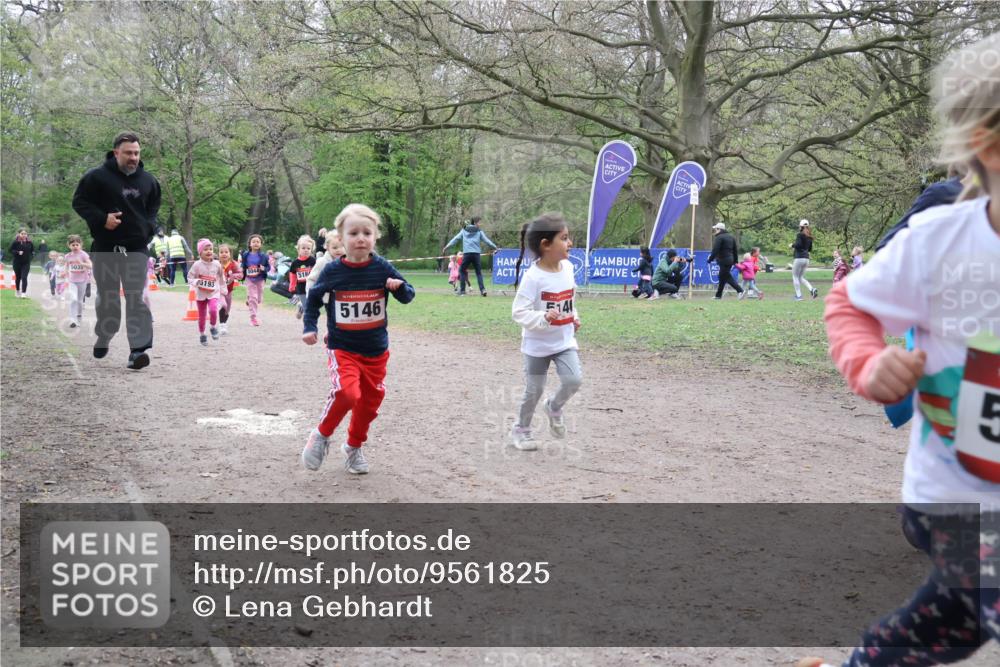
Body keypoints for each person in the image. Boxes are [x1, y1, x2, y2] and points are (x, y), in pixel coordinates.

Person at [801, 32, 1000, 667]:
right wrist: (869, 362)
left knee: (953, 620)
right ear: (988, 146)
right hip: (962, 497)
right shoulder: (939, 240)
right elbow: (850, 304)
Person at [300, 203, 415, 475]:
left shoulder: (382, 267)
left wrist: (398, 288)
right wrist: (309, 326)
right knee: (347, 393)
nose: (361, 238)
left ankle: (353, 447)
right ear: (341, 238)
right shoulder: (332, 271)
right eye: (353, 233)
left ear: (375, 237)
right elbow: (314, 297)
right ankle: (321, 434)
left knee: (369, 404)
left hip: (375, 351)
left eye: (367, 232)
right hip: (343, 348)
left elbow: (408, 295)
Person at [71, 131, 160, 370]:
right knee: (108, 299)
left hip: (136, 249)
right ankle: (106, 333)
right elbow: (79, 202)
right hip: (106, 248)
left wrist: (148, 228)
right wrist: (102, 219)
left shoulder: (149, 181)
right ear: (116, 153)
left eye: (137, 153)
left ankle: (138, 351)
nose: (133, 157)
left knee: (136, 299)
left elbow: (153, 211)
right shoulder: (96, 177)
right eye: (128, 153)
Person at [509, 213, 583, 451]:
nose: (570, 243)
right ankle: (521, 430)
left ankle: (554, 406)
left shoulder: (569, 268)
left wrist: (575, 317)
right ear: (546, 245)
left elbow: (569, 299)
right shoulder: (533, 277)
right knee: (534, 390)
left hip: (564, 342)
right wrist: (542, 317)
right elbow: (518, 312)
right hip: (536, 346)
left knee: (573, 380)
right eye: (564, 238)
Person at [442, 216, 498, 296]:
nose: (480, 224)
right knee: (478, 273)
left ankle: (462, 291)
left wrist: (447, 246)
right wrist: (495, 247)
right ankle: (483, 290)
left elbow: (455, 239)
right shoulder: (479, 231)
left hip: (467, 254)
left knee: (461, 270)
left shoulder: (464, 230)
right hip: (476, 254)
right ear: (475, 223)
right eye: (479, 222)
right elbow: (486, 240)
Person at [187, 239, 226, 345]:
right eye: (205, 249)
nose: (209, 251)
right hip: (201, 294)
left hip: (214, 292)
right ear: (200, 252)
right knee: (202, 316)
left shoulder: (217, 264)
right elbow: (189, 278)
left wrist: (223, 289)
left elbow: (221, 277)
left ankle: (213, 327)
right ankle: (202, 334)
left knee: (213, 310)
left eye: (211, 249)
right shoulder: (196, 265)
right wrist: (196, 281)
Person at [707, 222, 743, 300]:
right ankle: (718, 295)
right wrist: (735, 260)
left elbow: (715, 249)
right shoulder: (731, 237)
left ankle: (740, 290)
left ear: (719, 229)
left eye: (716, 229)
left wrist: (710, 259)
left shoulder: (719, 238)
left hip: (723, 260)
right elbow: (735, 250)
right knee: (722, 277)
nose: (715, 230)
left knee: (726, 277)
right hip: (730, 260)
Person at [63, 235, 93, 328]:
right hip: (72, 280)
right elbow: (66, 265)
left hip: (83, 280)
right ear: (69, 246)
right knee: (73, 299)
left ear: (80, 245)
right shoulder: (67, 256)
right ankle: (73, 320)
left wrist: (82, 264)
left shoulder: (83, 254)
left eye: (77, 244)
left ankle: (79, 316)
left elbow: (90, 265)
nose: (75, 246)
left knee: (80, 301)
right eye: (73, 245)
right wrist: (65, 272)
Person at [241, 234, 268, 326]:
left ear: (261, 244)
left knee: (259, 299)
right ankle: (253, 317)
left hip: (260, 279)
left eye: (258, 242)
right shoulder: (245, 255)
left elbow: (268, 267)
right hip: (250, 279)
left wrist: (264, 268)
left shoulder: (264, 256)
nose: (256, 243)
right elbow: (243, 265)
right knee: (254, 298)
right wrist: (241, 271)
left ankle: (250, 300)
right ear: (250, 244)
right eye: (254, 242)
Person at [288, 234, 316, 318]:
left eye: (308, 248)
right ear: (298, 249)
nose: (306, 250)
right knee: (306, 305)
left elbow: (317, 272)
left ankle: (303, 308)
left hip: (311, 286)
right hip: (301, 287)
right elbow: (293, 274)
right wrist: (292, 285)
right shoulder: (295, 263)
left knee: (311, 304)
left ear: (311, 250)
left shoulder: (313, 260)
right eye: (303, 248)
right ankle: (302, 309)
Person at [789, 219, 818, 300]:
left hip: (799, 258)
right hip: (806, 259)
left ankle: (798, 296)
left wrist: (792, 245)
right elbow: (809, 249)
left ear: (801, 227)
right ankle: (812, 289)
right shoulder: (809, 237)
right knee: (800, 277)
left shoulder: (800, 235)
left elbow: (798, 244)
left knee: (795, 276)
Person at [217, 243, 242, 335]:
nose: (224, 254)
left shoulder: (233, 264)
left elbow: (241, 274)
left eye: (226, 252)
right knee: (223, 305)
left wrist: (233, 276)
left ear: (230, 254)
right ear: (218, 254)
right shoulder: (216, 264)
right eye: (221, 252)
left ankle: (224, 323)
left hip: (229, 290)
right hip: (219, 290)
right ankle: (221, 324)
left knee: (227, 309)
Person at [8, 228, 34, 298]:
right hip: (17, 263)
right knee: (18, 277)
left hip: (26, 263)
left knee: (24, 277)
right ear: (19, 234)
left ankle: (23, 293)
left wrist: (31, 257)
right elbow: (10, 250)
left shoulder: (29, 242)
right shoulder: (15, 242)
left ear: (27, 234)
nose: (24, 235)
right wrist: (17, 252)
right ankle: (17, 290)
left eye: (25, 234)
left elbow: (32, 251)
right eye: (22, 233)